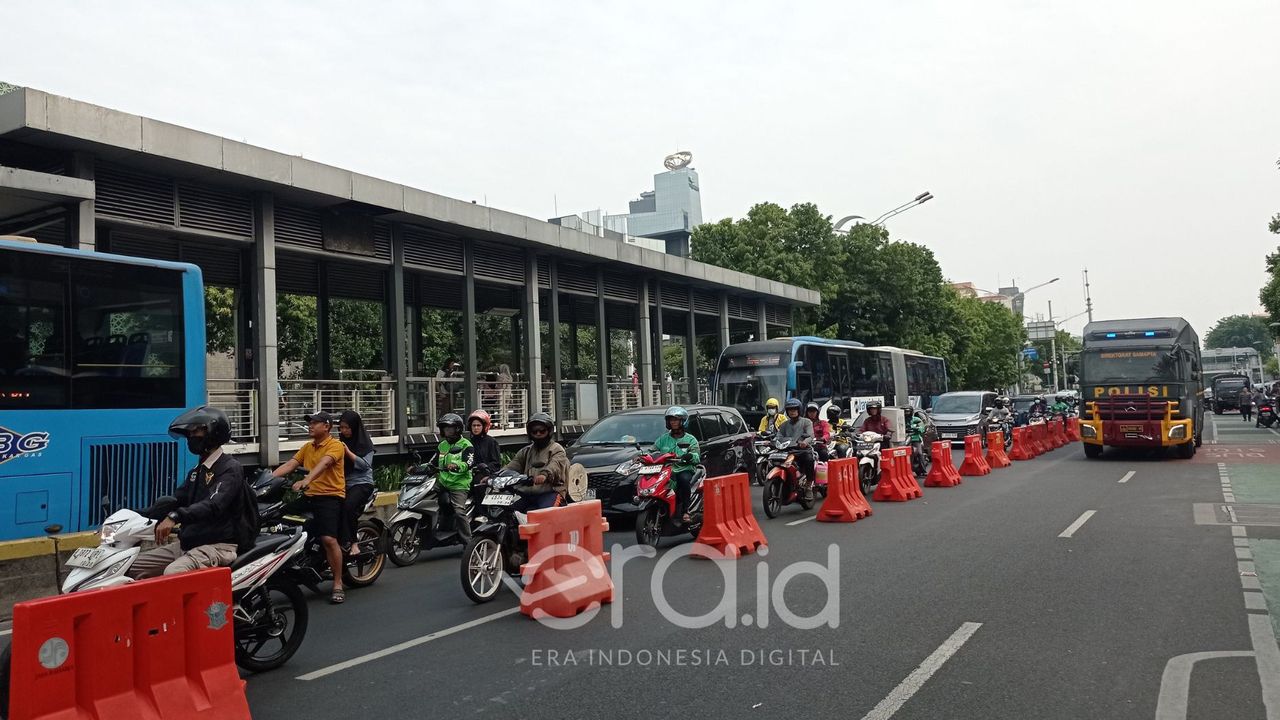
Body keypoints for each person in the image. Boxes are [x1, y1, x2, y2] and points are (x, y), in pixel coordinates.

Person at [128, 406, 252, 579]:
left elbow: (213, 504)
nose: (191, 437)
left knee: (173, 573)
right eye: (190, 433)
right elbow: (177, 500)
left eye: (197, 432)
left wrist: (175, 517)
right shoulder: (197, 471)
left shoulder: (230, 468)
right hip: (188, 545)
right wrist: (135, 515)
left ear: (214, 432)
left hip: (218, 546)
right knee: (130, 566)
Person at [271, 411, 347, 604]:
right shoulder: (307, 447)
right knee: (278, 518)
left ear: (327, 426)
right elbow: (290, 464)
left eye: (315, 423)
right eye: (310, 423)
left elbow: (324, 463)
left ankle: (337, 583)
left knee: (329, 539)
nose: (310, 426)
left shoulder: (336, 445)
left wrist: (306, 479)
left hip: (329, 497)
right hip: (310, 497)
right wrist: (265, 482)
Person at [505, 412, 570, 511]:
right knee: (507, 510)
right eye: (534, 431)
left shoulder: (556, 449)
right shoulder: (526, 451)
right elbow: (513, 466)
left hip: (550, 492)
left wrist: (545, 475)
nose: (538, 434)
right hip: (526, 494)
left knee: (546, 514)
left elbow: (555, 466)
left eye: (542, 431)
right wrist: (495, 476)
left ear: (549, 431)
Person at [654, 406, 701, 524]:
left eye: (676, 419)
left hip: (684, 469)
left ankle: (686, 510)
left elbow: (696, 456)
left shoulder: (691, 440)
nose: (673, 422)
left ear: (683, 421)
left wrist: (689, 456)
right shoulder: (662, 439)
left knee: (683, 480)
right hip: (666, 470)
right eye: (671, 420)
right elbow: (652, 451)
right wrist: (641, 457)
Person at [337, 410, 375, 557]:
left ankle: (353, 543)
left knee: (348, 506)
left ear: (355, 427)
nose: (344, 431)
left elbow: (365, 465)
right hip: (343, 483)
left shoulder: (365, 443)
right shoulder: (340, 442)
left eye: (347, 427)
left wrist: (348, 453)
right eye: (341, 428)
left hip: (362, 483)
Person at [435, 413, 476, 540]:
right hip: (442, 483)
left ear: (457, 429)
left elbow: (469, 463)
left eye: (449, 428)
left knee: (459, 512)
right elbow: (433, 461)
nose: (446, 431)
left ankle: (467, 540)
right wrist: (417, 468)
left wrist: (456, 465)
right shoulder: (442, 445)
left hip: (459, 484)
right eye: (444, 428)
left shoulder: (466, 445)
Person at [776, 398, 816, 496]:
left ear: (799, 410)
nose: (792, 411)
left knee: (809, 459)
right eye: (790, 409)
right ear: (787, 411)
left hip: (802, 449)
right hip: (788, 450)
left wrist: (805, 442)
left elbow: (811, 435)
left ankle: (809, 484)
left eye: (794, 409)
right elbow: (779, 436)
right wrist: (773, 441)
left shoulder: (806, 422)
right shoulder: (784, 425)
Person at [467, 409, 503, 484]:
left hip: (487, 476)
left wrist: (484, 467)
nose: (476, 428)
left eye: (478, 425)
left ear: (484, 426)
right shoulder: (468, 443)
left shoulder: (491, 442)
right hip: (468, 476)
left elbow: (496, 463)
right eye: (474, 425)